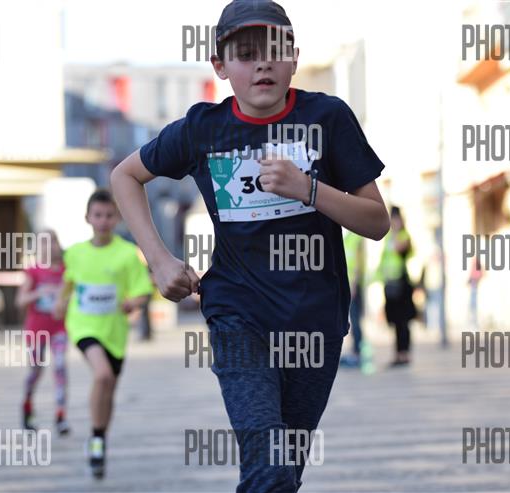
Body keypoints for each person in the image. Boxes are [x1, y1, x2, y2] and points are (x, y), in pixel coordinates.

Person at [111, 1, 390, 490]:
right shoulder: (203, 129)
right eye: (245, 54)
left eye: (276, 51)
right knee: (269, 465)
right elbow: (125, 175)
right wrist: (159, 260)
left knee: (282, 475)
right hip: (239, 317)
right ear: (220, 66)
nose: (263, 63)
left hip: (315, 325)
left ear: (294, 58)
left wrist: (307, 188)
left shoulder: (327, 118)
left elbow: (377, 221)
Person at [53, 189, 153, 479]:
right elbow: (68, 283)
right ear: (88, 218)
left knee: (108, 390)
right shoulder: (75, 253)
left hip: (114, 331)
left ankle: (98, 440)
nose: (103, 220)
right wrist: (60, 301)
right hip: (83, 326)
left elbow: (143, 290)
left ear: (117, 218)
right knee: (102, 375)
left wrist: (132, 303)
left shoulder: (127, 254)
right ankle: (97, 441)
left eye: (109, 215)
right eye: (98, 215)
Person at [15, 230, 69, 436]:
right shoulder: (34, 271)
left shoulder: (66, 270)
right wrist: (39, 292)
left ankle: (61, 415)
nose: (50, 246)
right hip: (37, 329)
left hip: (59, 327)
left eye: (53, 241)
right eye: (44, 242)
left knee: (60, 367)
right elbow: (20, 301)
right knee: (36, 370)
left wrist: (64, 299)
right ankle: (27, 406)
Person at [378, 206, 416, 367]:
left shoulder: (403, 235)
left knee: (403, 321)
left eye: (395, 219)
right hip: (390, 283)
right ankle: (398, 353)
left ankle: (404, 353)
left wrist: (394, 233)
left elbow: (400, 249)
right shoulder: (388, 238)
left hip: (402, 283)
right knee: (394, 321)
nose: (393, 222)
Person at [339, 231, 374, 374]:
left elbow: (358, 262)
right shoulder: (348, 237)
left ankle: (358, 352)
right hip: (349, 282)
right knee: (353, 319)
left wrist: (353, 283)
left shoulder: (356, 236)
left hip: (353, 284)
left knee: (355, 320)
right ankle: (356, 351)